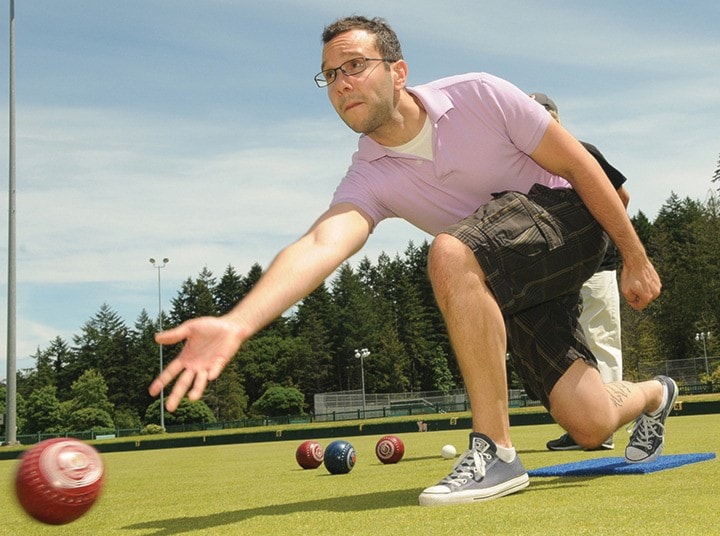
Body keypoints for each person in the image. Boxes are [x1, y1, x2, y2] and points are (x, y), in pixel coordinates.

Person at [149, 16, 677, 507]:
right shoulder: (369, 175)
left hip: (572, 218)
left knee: (452, 249)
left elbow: (584, 167)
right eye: (330, 75)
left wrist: (634, 255)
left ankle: (496, 452)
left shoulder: (479, 94)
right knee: (587, 423)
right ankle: (655, 395)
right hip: (513, 272)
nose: (342, 83)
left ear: (398, 72)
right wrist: (238, 322)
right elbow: (319, 245)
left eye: (355, 65)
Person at [530, 93, 628, 452]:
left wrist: (598, 236)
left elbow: (622, 196)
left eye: (542, 116)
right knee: (571, 347)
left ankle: (607, 424)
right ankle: (584, 423)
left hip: (597, 265)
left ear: (556, 119)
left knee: (601, 341)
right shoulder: (525, 161)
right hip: (556, 272)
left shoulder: (583, 150)